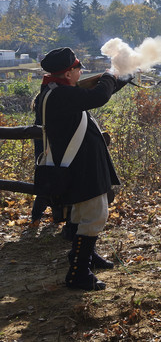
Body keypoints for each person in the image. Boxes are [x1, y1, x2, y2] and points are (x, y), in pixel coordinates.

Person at [33, 47, 124, 291]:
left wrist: (120, 76)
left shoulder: (56, 91)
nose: (81, 70)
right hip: (80, 167)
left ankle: (85, 257)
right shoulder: (61, 95)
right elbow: (98, 97)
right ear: (68, 73)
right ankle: (78, 273)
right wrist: (109, 75)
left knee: (84, 215)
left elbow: (97, 93)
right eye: (77, 68)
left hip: (79, 165)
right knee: (95, 216)